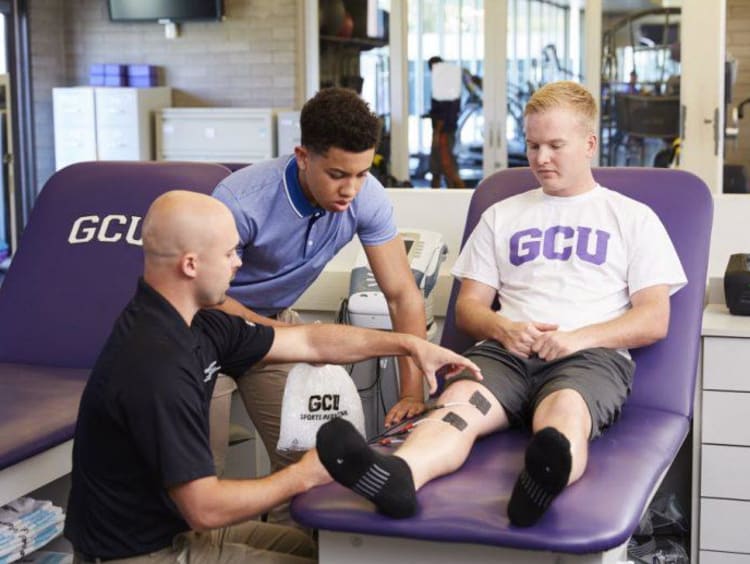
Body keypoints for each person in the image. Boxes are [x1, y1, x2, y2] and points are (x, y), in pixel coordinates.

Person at [315, 81, 687, 526]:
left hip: (589, 359)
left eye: (554, 145)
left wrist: (574, 340)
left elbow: (654, 319)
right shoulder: (502, 215)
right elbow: (468, 309)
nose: (540, 158)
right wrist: (503, 329)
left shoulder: (632, 218)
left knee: (564, 411)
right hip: (505, 354)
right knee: (458, 406)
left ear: (589, 145)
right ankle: (400, 476)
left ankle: (543, 481)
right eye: (532, 145)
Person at [63, 190, 481, 563]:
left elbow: (310, 343)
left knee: (319, 553)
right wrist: (305, 475)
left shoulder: (198, 323)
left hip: (174, 530)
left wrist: (408, 344)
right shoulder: (155, 364)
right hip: (139, 553)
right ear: (191, 264)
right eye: (229, 254)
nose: (238, 262)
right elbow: (204, 507)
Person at [210, 88, 429, 498]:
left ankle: (288, 550)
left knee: (307, 461)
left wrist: (411, 391)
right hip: (206, 327)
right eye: (337, 175)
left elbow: (402, 294)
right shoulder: (241, 201)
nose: (351, 189)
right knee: (204, 468)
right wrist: (278, 333)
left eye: (361, 174)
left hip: (273, 323)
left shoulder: (367, 198)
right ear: (303, 157)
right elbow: (207, 296)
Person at [427, 56, 465, 188]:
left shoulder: (444, 86)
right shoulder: (448, 85)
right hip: (444, 130)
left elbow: (443, 114)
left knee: (447, 168)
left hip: (443, 132)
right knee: (438, 170)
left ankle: (463, 197)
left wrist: (436, 135)